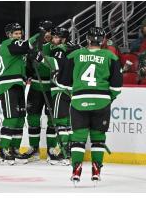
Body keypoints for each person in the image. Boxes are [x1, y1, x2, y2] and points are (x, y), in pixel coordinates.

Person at [49, 27, 122, 184]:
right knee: (98, 138)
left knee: (78, 139)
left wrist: (74, 95)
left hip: (79, 101)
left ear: (87, 39)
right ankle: (96, 170)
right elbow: (116, 86)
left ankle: (76, 169)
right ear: (103, 40)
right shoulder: (111, 56)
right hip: (102, 101)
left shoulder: (75, 55)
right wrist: (107, 98)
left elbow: (63, 84)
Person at [0, 22, 35, 165]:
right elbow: (26, 45)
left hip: (18, 85)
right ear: (9, 35)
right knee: (11, 118)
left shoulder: (20, 50)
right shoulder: (8, 43)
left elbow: (25, 66)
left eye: (20, 33)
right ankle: (3, 151)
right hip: (7, 84)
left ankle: (14, 149)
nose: (19, 36)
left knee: (19, 119)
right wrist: (41, 33)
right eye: (16, 33)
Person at [22, 20, 62, 165]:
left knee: (52, 119)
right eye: (44, 31)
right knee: (32, 118)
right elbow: (27, 65)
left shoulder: (55, 47)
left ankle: (52, 149)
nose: (47, 35)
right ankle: (34, 149)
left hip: (51, 87)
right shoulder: (34, 45)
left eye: (49, 32)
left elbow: (56, 64)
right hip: (35, 87)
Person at [49, 26, 81, 165]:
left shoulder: (58, 50)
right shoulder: (77, 49)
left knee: (61, 124)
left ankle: (59, 153)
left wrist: (39, 58)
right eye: (54, 36)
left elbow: (54, 64)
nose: (54, 39)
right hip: (72, 90)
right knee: (67, 124)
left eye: (56, 37)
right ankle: (68, 152)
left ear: (63, 38)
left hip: (60, 89)